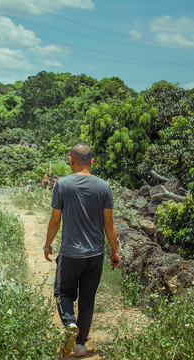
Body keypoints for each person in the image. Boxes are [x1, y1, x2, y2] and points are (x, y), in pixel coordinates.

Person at [44, 143, 121, 357]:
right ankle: (80, 344)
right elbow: (109, 223)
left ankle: (69, 324)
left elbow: (55, 220)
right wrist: (115, 251)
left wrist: (48, 245)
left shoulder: (62, 185)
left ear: (71, 160)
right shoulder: (104, 187)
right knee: (87, 299)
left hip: (70, 253)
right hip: (95, 254)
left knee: (63, 292)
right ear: (92, 161)